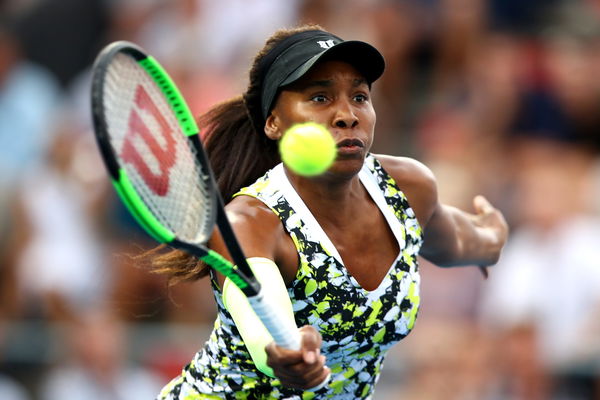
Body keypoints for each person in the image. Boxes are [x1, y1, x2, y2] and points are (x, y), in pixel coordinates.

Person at [151, 25, 508, 399]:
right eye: (320, 98)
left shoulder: (407, 187)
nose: (347, 115)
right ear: (273, 122)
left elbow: (460, 242)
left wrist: (490, 237)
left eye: (359, 96)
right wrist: (283, 351)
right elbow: (260, 327)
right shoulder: (247, 222)